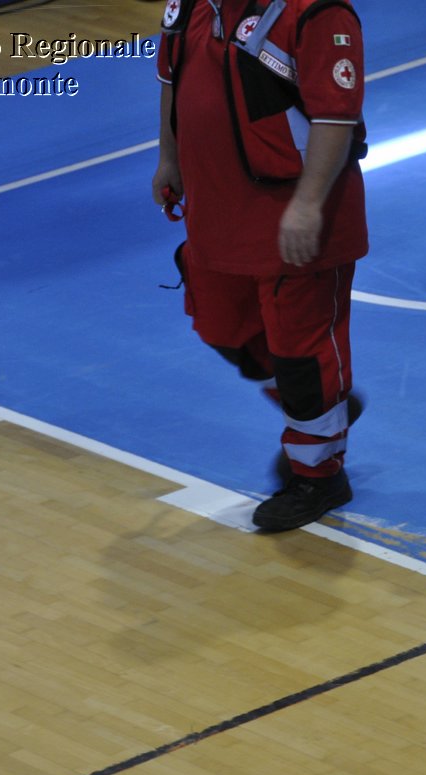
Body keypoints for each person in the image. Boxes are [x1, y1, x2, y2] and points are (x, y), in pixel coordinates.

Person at [152, 0, 367, 532]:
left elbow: (334, 115)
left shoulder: (317, 13)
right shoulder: (190, 7)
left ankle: (318, 477)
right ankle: (320, 404)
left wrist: (309, 204)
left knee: (301, 350)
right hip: (219, 210)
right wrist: (170, 157)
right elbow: (171, 81)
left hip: (294, 217)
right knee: (223, 328)